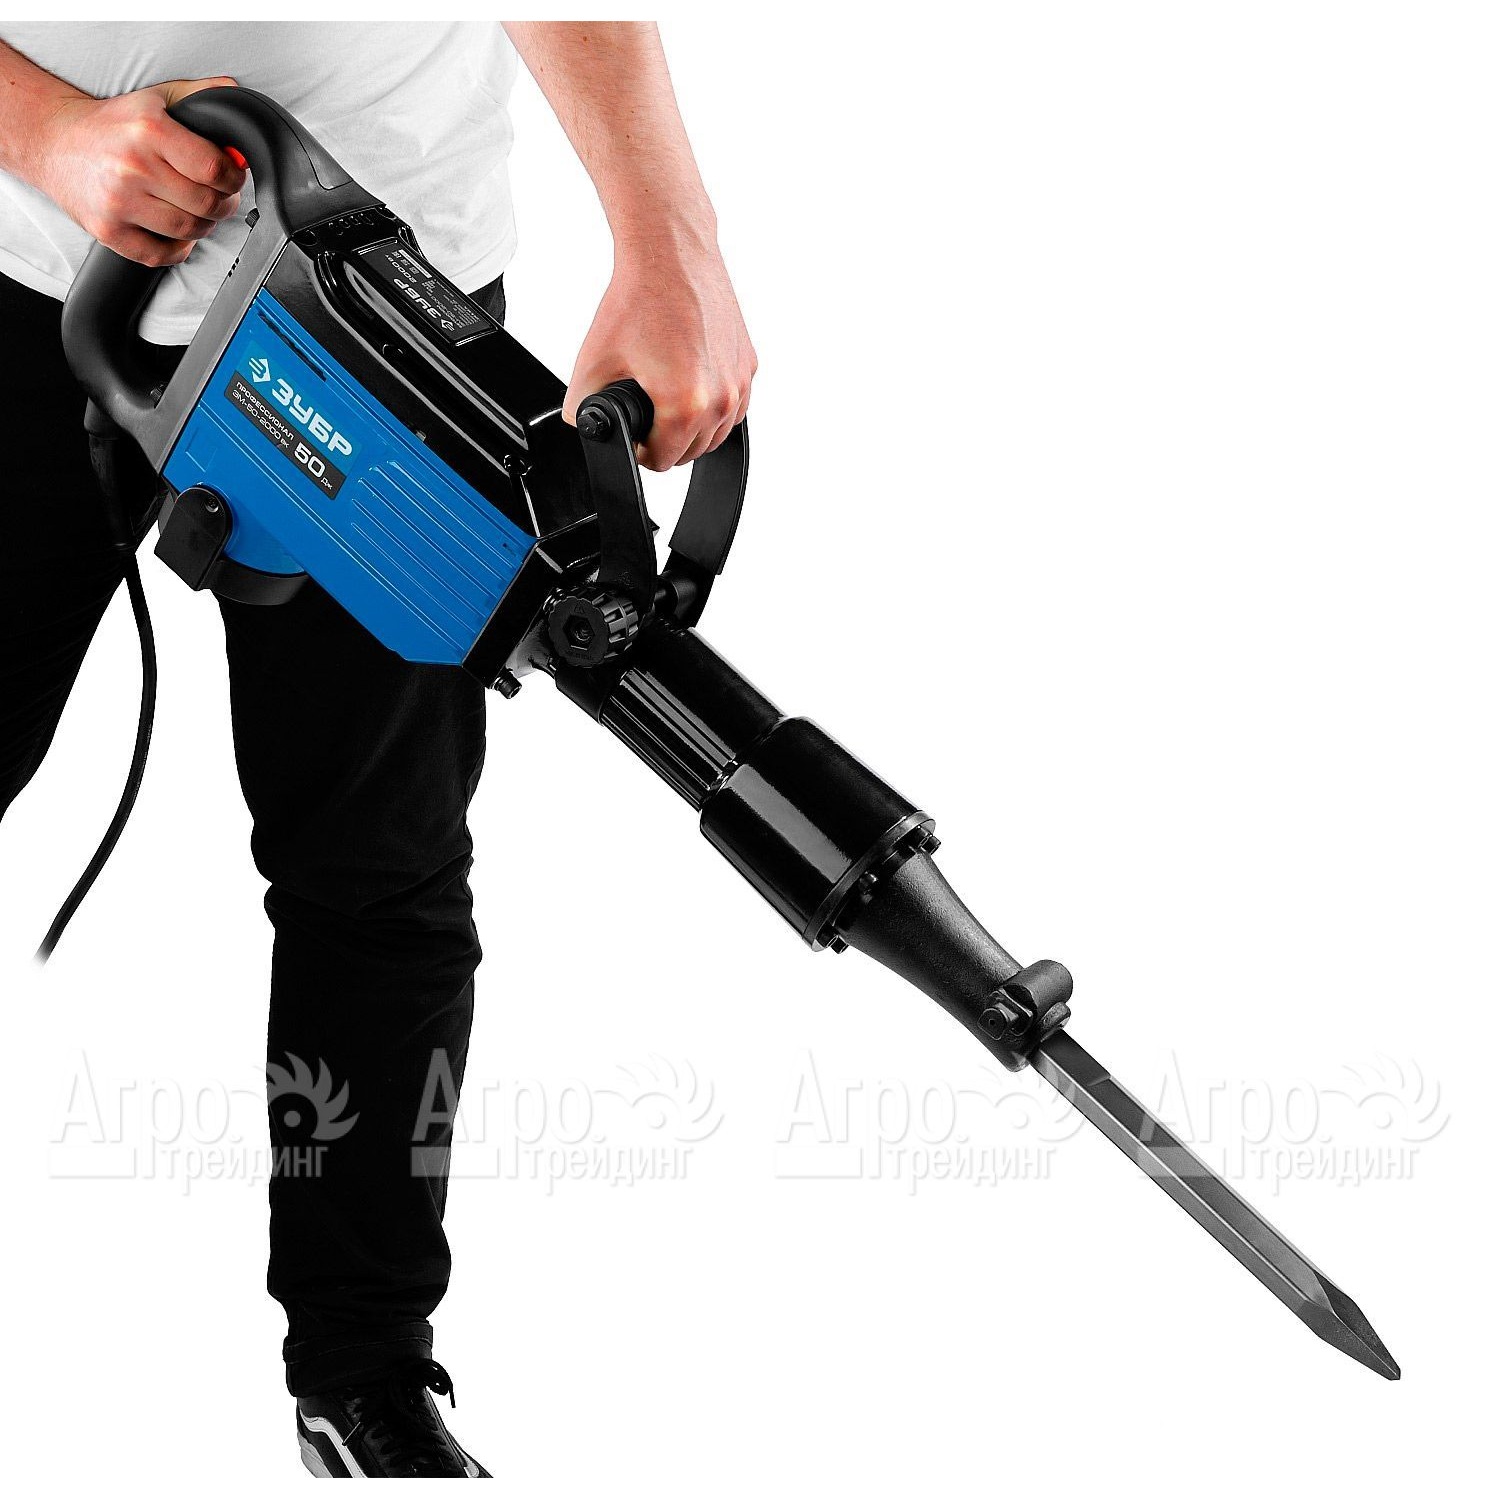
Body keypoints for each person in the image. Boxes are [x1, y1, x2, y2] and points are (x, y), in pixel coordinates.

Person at [0, 21, 755, 1479]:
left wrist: (673, 243)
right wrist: (44, 133)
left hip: (388, 304)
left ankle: (369, 1377)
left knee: (381, 870)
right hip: (28, 261)